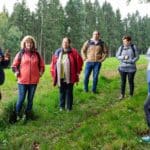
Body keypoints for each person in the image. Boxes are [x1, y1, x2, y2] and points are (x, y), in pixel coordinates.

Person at [12, 35, 45, 121]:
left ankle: (27, 116)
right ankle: (16, 115)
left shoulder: (37, 54)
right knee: (21, 98)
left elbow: (42, 66)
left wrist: (41, 73)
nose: (29, 44)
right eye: (27, 42)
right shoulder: (20, 54)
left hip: (33, 81)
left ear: (33, 44)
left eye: (30, 42)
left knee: (30, 99)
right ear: (24, 44)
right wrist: (16, 72)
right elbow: (14, 66)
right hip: (22, 81)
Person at [50, 37, 83, 111]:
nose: (65, 44)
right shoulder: (58, 52)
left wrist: (78, 71)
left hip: (70, 76)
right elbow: (53, 64)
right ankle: (61, 106)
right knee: (61, 91)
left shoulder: (73, 52)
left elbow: (80, 62)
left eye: (66, 42)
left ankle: (69, 107)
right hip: (60, 76)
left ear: (69, 43)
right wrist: (53, 74)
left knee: (69, 92)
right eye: (63, 42)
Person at [116, 35, 139, 100]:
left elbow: (137, 57)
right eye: (123, 41)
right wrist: (123, 57)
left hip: (131, 68)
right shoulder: (121, 47)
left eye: (125, 41)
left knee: (130, 81)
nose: (124, 43)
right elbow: (117, 56)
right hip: (122, 68)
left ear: (129, 41)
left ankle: (131, 95)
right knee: (123, 82)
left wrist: (131, 61)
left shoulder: (133, 47)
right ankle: (122, 95)